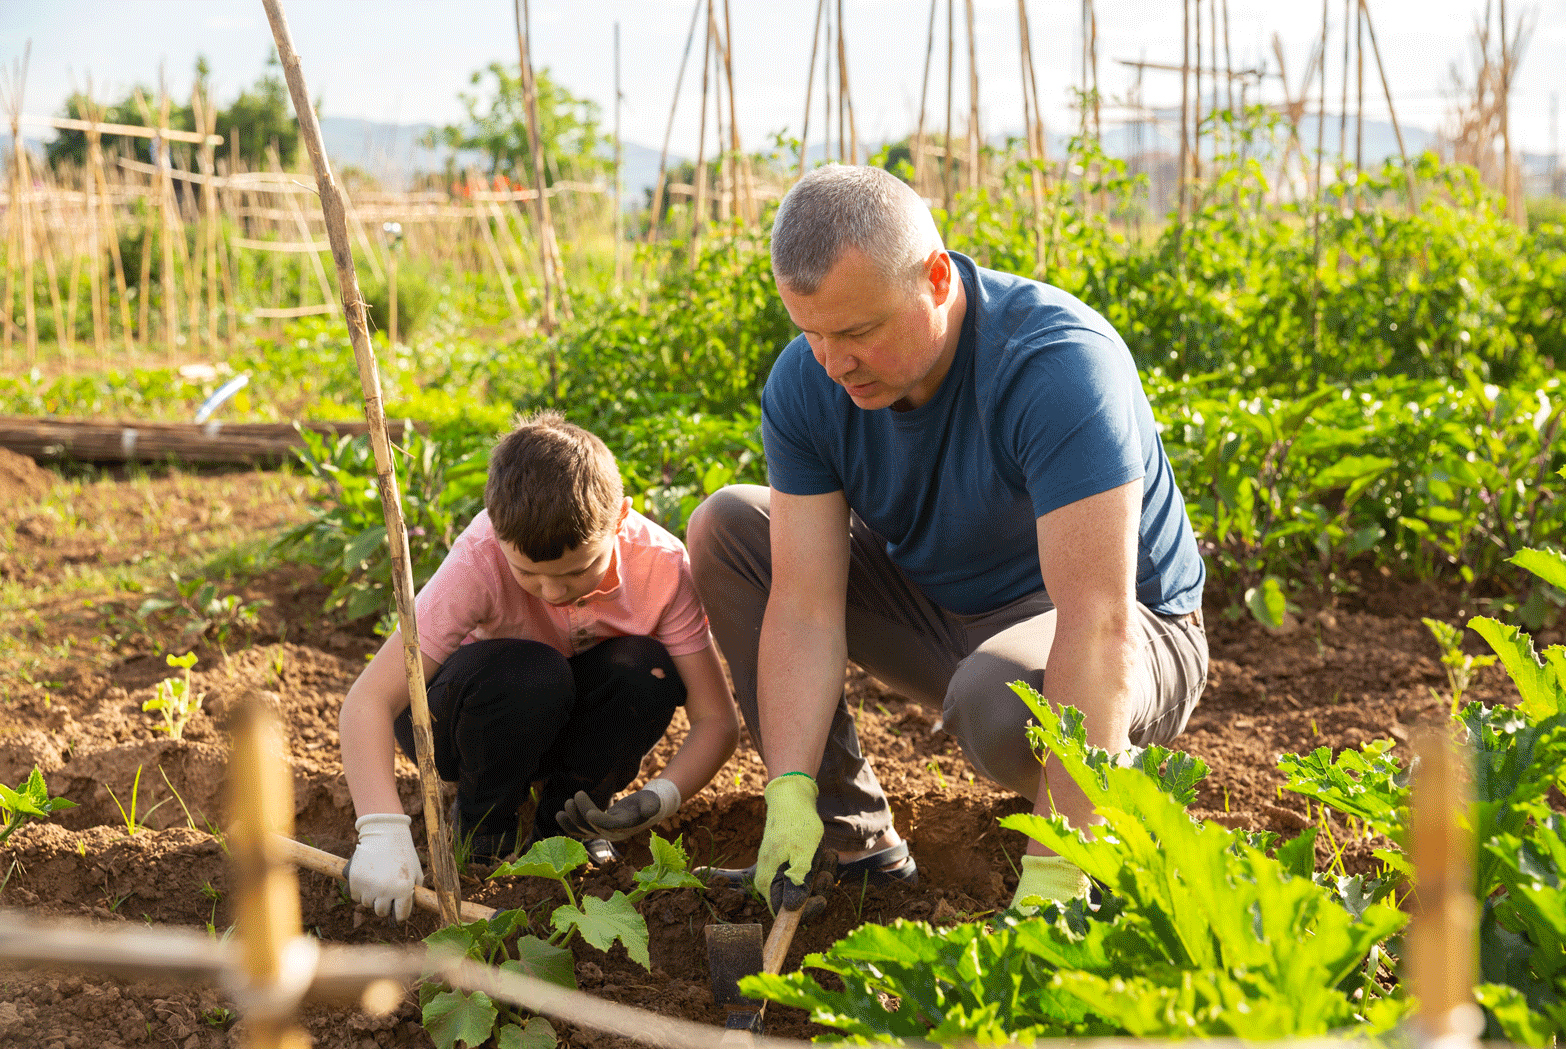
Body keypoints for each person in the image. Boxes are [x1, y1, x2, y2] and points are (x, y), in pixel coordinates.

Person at [687, 165, 1207, 911]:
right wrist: (790, 785)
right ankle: (843, 841)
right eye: (812, 333)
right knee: (730, 529)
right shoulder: (811, 381)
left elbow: (1101, 620)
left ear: (936, 278)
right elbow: (802, 607)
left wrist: (1062, 860)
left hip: (1128, 632)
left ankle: (1108, 826)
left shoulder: (1055, 363)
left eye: (859, 332)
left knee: (1000, 702)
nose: (834, 364)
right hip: (949, 615)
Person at [341, 411, 740, 920]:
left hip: (573, 717)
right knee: (532, 674)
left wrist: (660, 797)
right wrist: (381, 830)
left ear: (620, 520)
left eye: (578, 571)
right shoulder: (481, 556)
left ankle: (569, 829)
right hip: (470, 715)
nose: (552, 592)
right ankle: (484, 828)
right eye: (527, 573)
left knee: (646, 668)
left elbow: (716, 720)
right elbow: (370, 700)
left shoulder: (660, 565)